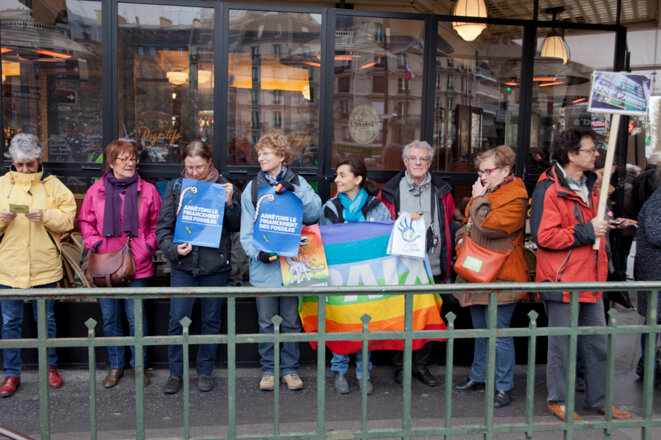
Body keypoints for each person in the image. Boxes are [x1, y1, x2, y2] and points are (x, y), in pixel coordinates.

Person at [530, 128, 630, 421]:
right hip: (561, 279)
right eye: (590, 150)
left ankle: (599, 399)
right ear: (571, 155)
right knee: (561, 345)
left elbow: (591, 225)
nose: (595, 154)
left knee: (597, 343)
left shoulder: (593, 186)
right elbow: (543, 236)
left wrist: (609, 224)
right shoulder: (548, 188)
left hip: (591, 277)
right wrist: (588, 231)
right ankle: (557, 399)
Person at [156, 141, 240, 394]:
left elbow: (236, 225)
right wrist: (172, 249)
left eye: (199, 167)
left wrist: (228, 202)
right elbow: (163, 227)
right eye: (189, 167)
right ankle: (175, 372)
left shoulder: (225, 186)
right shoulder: (176, 186)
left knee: (212, 321)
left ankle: (205, 371)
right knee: (177, 321)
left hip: (215, 267)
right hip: (183, 266)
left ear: (210, 162)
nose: (194, 172)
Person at [239, 130, 321, 391]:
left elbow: (314, 212)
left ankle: (290, 370)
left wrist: (296, 192)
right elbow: (246, 234)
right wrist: (258, 253)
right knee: (265, 323)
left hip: (292, 267)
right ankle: (268, 370)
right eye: (259, 153)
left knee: (291, 322)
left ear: (282, 156)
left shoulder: (299, 182)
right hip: (265, 270)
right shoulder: (252, 189)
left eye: (266, 153)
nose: (260, 157)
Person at [78, 140, 162, 389]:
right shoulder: (97, 190)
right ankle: (115, 366)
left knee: (137, 318)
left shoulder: (148, 190)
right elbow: (85, 221)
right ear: (111, 162)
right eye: (124, 159)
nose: (130, 163)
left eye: (133, 158)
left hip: (138, 264)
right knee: (111, 318)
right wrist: (95, 244)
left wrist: (147, 248)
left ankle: (138, 366)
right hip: (105, 264)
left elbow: (158, 225)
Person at [0, 133, 76, 398]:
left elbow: (68, 219)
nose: (24, 169)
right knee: (10, 323)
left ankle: (50, 367)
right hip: (8, 266)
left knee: (46, 321)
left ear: (39, 160)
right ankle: (11, 374)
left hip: (44, 266)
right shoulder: (1, 185)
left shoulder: (53, 185)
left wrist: (46, 216)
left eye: (30, 164)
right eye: (20, 164)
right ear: (13, 161)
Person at [452, 145, 528, 408]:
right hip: (478, 271)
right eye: (480, 171)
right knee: (482, 330)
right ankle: (479, 376)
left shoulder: (516, 196)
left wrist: (477, 198)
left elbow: (490, 226)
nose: (483, 176)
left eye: (488, 171)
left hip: (503, 273)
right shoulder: (489, 192)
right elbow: (469, 225)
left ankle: (504, 386)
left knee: (498, 332)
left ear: (506, 170)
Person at [378, 140, 455, 387]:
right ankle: (401, 367)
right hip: (400, 267)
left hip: (432, 266)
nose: (418, 163)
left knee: (428, 318)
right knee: (401, 318)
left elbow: (449, 223)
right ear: (405, 162)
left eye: (423, 159)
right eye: (413, 158)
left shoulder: (442, 191)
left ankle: (421, 366)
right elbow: (381, 226)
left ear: (430, 163)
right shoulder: (390, 191)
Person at [320, 159, 391, 395]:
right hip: (339, 277)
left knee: (365, 324)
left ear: (358, 179)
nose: (337, 179)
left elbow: (389, 237)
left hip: (368, 276)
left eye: (342, 175)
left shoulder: (376, 207)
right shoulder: (329, 207)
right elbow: (322, 243)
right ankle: (339, 371)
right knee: (341, 324)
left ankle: (363, 373)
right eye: (336, 175)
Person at [634, 166, 661, 386]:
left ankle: (650, 364)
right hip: (654, 272)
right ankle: (649, 366)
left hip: (655, 272)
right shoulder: (657, 201)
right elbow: (655, 234)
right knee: (653, 321)